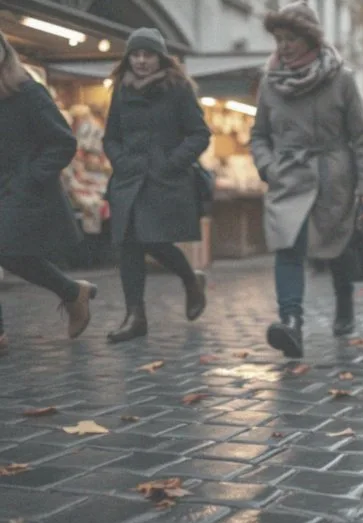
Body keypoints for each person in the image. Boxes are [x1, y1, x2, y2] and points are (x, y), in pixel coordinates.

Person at [250, 1, 363, 356]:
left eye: (291, 39)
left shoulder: (341, 78)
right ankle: (291, 323)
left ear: (310, 39)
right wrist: (268, 167)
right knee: (287, 246)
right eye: (279, 39)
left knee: (337, 249)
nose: (284, 46)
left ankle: (344, 302)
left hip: (333, 178)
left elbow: (361, 138)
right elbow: (259, 135)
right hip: (288, 177)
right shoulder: (270, 82)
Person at [102, 28, 210, 343]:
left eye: (147, 55)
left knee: (154, 240)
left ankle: (190, 280)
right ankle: (135, 316)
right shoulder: (121, 89)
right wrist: (121, 161)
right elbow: (111, 137)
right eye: (135, 55)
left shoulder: (178, 88)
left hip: (163, 180)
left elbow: (199, 134)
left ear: (160, 57)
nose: (141, 61)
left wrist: (171, 162)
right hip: (128, 179)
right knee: (129, 243)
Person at [0, 31, 97, 355]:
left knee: (8, 251)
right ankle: (72, 292)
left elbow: (63, 141)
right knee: (10, 253)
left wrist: (29, 176)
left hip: (19, 187)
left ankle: (71, 292)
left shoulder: (28, 92)